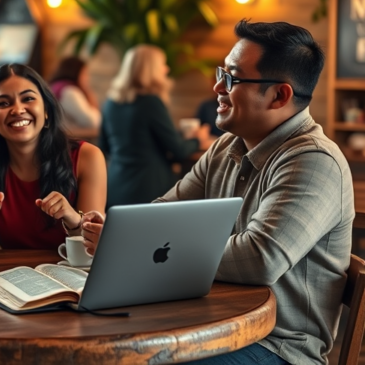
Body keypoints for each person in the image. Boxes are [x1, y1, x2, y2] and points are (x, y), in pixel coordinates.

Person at [83, 20, 353, 365]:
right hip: (209, 321)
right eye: (220, 73)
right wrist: (123, 233)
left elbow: (260, 258)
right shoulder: (226, 146)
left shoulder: (314, 161)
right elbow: (164, 210)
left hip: (277, 346)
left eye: (232, 78)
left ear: (279, 95)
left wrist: (137, 245)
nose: (216, 86)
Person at [0, 63, 106, 250]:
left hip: (71, 273)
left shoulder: (87, 157)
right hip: (10, 275)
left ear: (46, 109)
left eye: (28, 99)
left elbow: (93, 247)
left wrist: (72, 218)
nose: (17, 110)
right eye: (4, 103)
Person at [98, 44, 212, 207]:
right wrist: (198, 140)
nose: (166, 69)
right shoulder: (151, 102)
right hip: (148, 190)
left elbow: (105, 147)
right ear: (150, 70)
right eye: (162, 65)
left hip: (115, 187)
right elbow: (178, 151)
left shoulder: (110, 102)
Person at [48, 56, 101, 130]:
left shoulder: (54, 87)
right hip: (74, 137)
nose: (87, 78)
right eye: (85, 73)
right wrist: (89, 93)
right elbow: (91, 122)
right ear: (75, 72)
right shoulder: (70, 92)